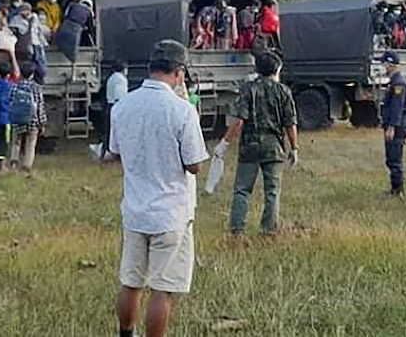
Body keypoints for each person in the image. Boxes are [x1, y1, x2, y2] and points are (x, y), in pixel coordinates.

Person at [107, 40, 210, 337]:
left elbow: (115, 151)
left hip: (135, 210)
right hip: (170, 213)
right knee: (163, 289)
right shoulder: (182, 110)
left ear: (150, 68)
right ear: (179, 73)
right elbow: (194, 165)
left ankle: (126, 333)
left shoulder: (123, 106)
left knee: (131, 281)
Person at [215, 51, 299, 237]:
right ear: (277, 69)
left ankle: (237, 230)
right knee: (272, 191)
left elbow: (238, 121)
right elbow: (290, 122)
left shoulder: (247, 89)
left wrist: (224, 143)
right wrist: (294, 148)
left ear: (256, 69)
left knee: (242, 190)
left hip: (250, 145)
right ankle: (268, 231)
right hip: (274, 146)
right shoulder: (283, 91)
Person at [379, 51, 406, 198]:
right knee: (391, 158)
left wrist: (391, 127)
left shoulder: (398, 84)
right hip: (396, 126)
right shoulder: (394, 82)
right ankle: (395, 189)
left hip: (397, 128)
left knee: (394, 159)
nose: (384, 67)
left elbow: (397, 108)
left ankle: (397, 191)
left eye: (385, 64)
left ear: (390, 65)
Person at [9, 61, 47, 176]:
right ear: (32, 74)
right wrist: (42, 123)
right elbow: (40, 106)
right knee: (31, 144)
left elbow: (10, 103)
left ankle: (14, 162)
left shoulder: (15, 86)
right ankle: (27, 166)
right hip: (32, 120)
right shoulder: (36, 88)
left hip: (17, 119)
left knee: (16, 142)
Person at [103, 61, 129, 158]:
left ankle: (106, 151)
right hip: (116, 106)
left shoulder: (112, 78)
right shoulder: (120, 79)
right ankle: (114, 153)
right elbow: (120, 96)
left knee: (109, 130)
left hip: (109, 105)